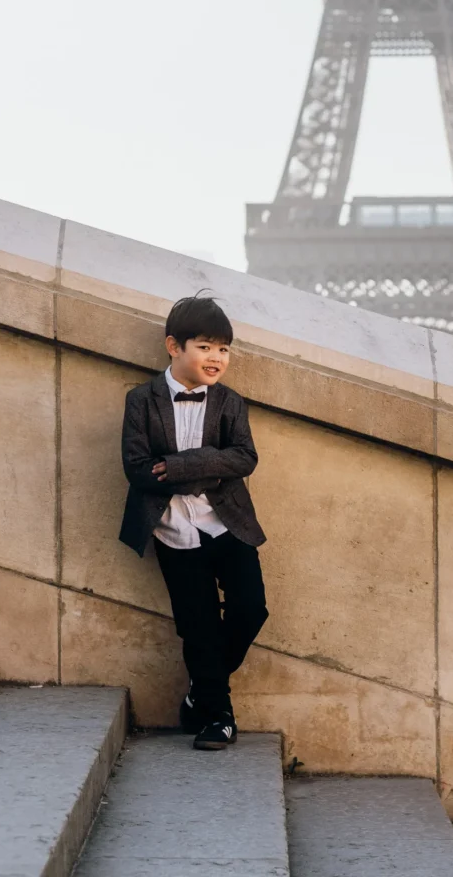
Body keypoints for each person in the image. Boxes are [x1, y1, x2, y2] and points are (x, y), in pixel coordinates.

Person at [118, 293, 268, 750]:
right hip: (171, 527)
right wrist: (204, 464)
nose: (216, 358)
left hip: (226, 522)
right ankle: (217, 716)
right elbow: (138, 468)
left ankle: (201, 690)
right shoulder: (141, 400)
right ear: (173, 346)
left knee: (250, 609)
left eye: (223, 348)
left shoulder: (230, 403)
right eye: (204, 346)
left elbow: (244, 457)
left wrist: (181, 466)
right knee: (197, 623)